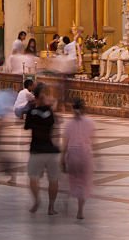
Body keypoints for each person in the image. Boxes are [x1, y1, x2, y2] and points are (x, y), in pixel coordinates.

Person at [24, 83, 59, 215]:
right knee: (53, 179)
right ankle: (51, 207)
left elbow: (27, 127)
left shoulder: (31, 111)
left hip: (36, 149)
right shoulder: (49, 112)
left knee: (33, 177)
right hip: (50, 149)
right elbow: (53, 126)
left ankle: (36, 200)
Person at [62, 98, 95, 220]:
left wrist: (62, 159)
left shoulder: (69, 124)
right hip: (85, 155)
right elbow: (94, 142)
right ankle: (80, 211)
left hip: (72, 155)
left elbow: (64, 143)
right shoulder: (90, 123)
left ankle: (67, 198)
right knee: (83, 182)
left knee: (72, 180)